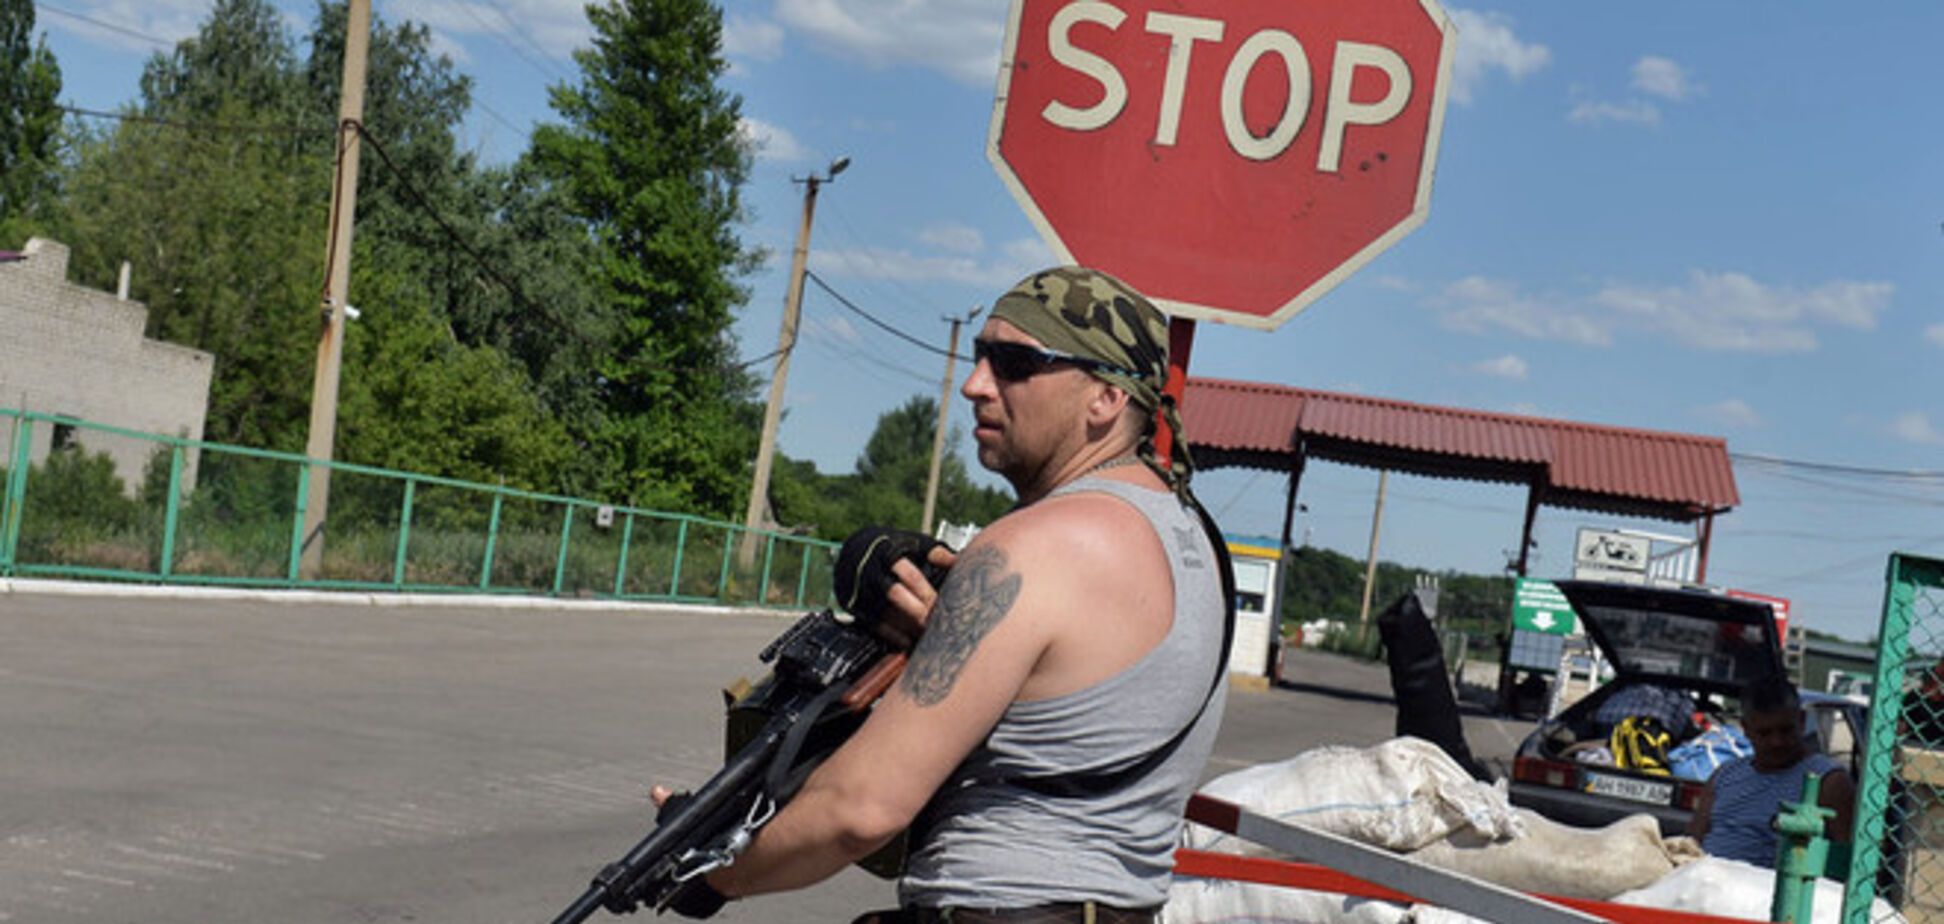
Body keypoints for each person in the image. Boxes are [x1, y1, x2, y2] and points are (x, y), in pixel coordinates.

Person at [655, 267, 1230, 922]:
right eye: (981, 356)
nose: (975, 384)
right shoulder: (1196, 542)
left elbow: (861, 809)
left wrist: (710, 874)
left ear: (1104, 398)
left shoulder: (1034, 547)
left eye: (1015, 363)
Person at [1688, 675, 1855, 867]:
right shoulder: (1725, 775)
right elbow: (1692, 843)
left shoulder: (1828, 782)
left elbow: (1846, 859)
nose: (1776, 742)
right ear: (1746, 729)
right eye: (1765, 733)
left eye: (1785, 731)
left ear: (1801, 721)